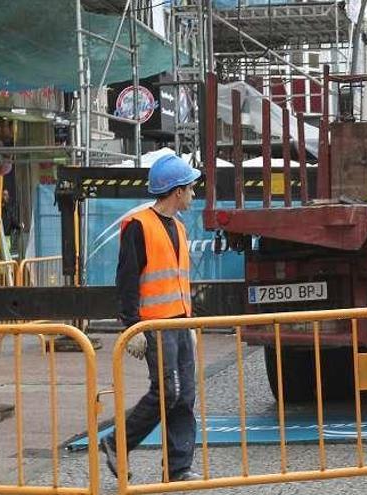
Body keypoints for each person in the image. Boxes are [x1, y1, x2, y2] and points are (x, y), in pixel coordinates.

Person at [100, 154, 201, 483]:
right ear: (177, 191)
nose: (193, 195)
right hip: (155, 325)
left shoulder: (179, 227)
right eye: (191, 189)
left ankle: (178, 467)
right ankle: (116, 443)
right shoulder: (139, 226)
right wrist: (132, 328)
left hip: (179, 324)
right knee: (167, 392)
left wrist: (191, 323)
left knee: (185, 394)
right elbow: (126, 281)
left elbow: (178, 281)